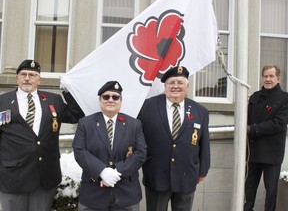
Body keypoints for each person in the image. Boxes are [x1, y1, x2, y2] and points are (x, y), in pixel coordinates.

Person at [0, 59, 85, 211]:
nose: (27, 78)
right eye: (23, 74)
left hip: (44, 175)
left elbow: (76, 115)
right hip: (13, 175)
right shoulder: (3, 101)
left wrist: (69, 91)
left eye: (32, 75)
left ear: (39, 80)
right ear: (17, 78)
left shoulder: (53, 100)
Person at [137, 66, 210, 211]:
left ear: (187, 86)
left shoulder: (200, 111)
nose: (175, 86)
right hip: (156, 174)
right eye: (171, 83)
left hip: (187, 175)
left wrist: (203, 170)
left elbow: (204, 142)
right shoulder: (147, 107)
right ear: (165, 86)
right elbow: (137, 138)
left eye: (180, 82)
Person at [73, 81, 147, 211]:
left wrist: (117, 172)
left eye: (115, 97)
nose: (110, 100)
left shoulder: (134, 124)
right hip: (93, 194)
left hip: (126, 194)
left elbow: (141, 153)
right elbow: (80, 151)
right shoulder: (85, 123)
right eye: (106, 97)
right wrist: (102, 171)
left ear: (121, 100)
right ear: (100, 100)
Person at [244, 65, 288, 211]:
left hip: (272, 154)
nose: (268, 79)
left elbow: (278, 124)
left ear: (278, 78)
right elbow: (246, 120)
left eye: (271, 76)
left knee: (271, 193)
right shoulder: (255, 97)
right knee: (247, 192)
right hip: (253, 153)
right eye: (265, 76)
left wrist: (253, 129)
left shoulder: (284, 99)